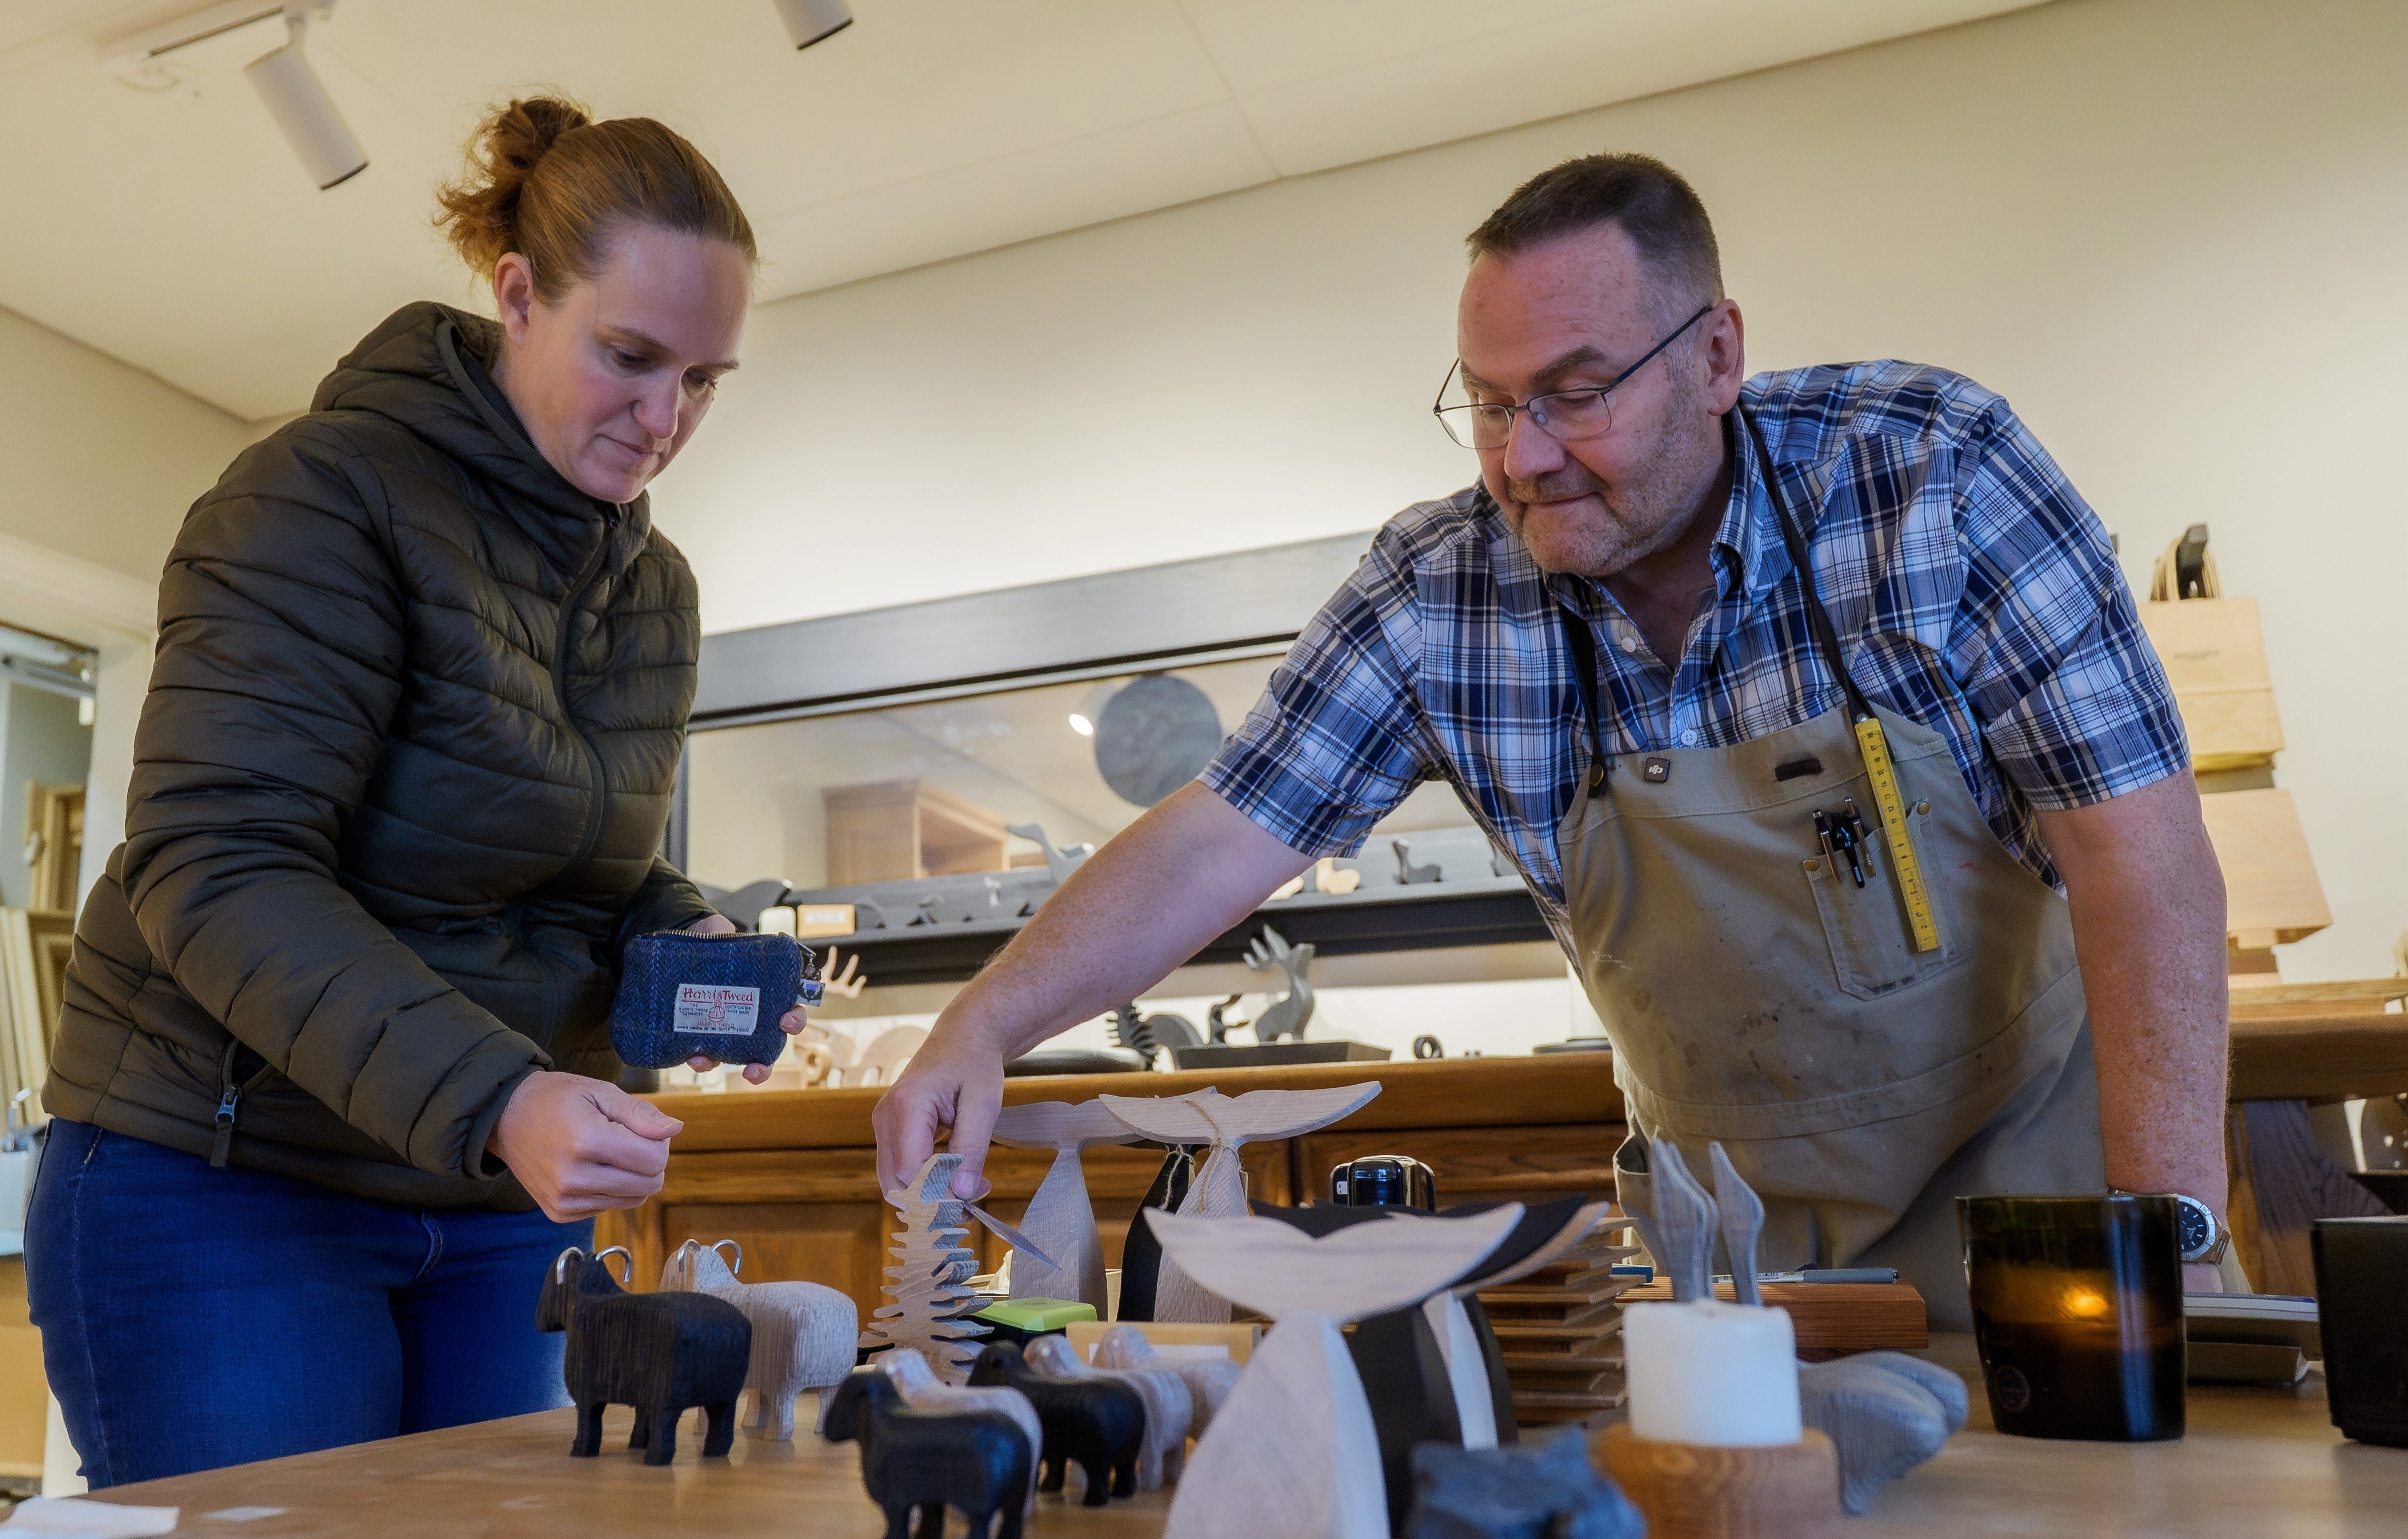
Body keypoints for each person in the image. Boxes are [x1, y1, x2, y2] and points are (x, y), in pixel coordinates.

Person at [875, 154, 2230, 1327]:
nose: (1521, 457)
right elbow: (1216, 837)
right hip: (1728, 1258)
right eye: (1488, 402)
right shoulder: (1434, 591)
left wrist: (2163, 1237)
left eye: (1575, 394)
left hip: (2041, 1213)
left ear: (1713, 356)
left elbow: (2142, 866)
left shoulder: (1931, 473)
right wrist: (984, 1025)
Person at [31, 97, 799, 1485]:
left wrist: (688, 937)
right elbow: (216, 866)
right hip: (229, 1185)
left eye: (703, 379)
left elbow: (581, 877)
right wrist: (506, 1093)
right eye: (629, 357)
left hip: (488, 1195)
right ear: (516, 294)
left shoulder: (653, 587)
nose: (664, 417)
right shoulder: (313, 500)